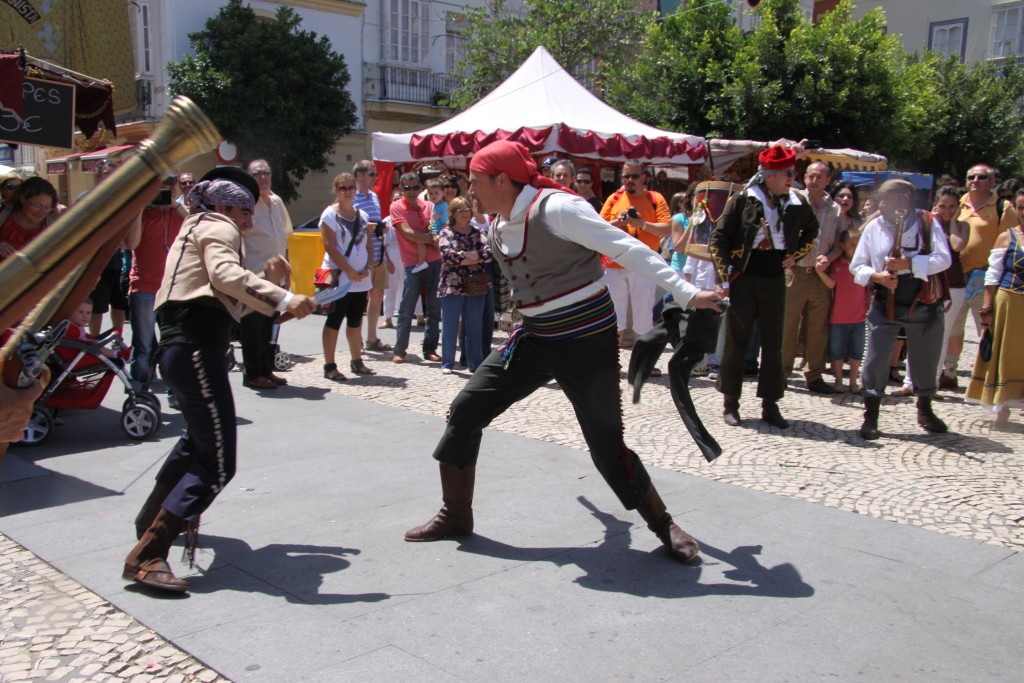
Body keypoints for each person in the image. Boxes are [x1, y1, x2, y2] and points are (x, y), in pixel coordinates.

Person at [404, 140, 723, 565]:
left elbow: (627, 248)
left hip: (586, 339)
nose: (470, 188)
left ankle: (664, 524)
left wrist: (687, 292)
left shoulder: (558, 209)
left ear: (502, 179)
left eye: (475, 180)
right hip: (535, 338)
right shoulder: (498, 221)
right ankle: (456, 515)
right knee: (465, 409)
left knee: (606, 444)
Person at [124, 167, 316, 593]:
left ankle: (149, 521)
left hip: (185, 347)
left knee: (196, 442)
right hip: (194, 348)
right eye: (245, 212)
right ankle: (149, 552)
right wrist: (285, 296)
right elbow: (227, 279)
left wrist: (270, 286)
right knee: (218, 463)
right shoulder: (215, 225)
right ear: (226, 206)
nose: (248, 222)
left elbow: (228, 304)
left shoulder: (196, 227)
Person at [709, 144, 819, 429]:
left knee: (774, 344)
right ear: (769, 175)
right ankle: (730, 402)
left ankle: (770, 404)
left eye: (792, 174)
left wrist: (795, 254)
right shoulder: (744, 199)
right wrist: (724, 278)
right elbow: (718, 238)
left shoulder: (797, 202)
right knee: (737, 341)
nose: (791, 179)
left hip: (774, 278)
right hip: (743, 277)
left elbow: (812, 229)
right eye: (787, 174)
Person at [849, 179, 951, 440]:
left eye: (888, 198)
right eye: (880, 199)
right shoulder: (874, 227)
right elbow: (857, 266)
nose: (881, 204)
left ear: (905, 200)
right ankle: (870, 415)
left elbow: (943, 259)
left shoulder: (927, 222)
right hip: (886, 301)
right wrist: (878, 276)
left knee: (926, 358)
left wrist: (910, 263)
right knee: (876, 358)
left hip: (923, 299)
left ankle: (925, 408)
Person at [942, 164, 1016, 389]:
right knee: (953, 327)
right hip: (955, 277)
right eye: (970, 176)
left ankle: (989, 376)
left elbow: (1010, 241)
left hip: (986, 279)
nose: (974, 180)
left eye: (981, 177)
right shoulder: (957, 202)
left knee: (987, 328)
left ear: (992, 182)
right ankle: (950, 371)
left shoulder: (1003, 207)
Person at [893, 186, 969, 397]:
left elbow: (956, 245)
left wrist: (952, 221)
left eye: (952, 206)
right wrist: (932, 221)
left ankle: (931, 383)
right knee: (914, 331)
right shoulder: (924, 223)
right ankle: (909, 381)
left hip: (953, 285)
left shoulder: (962, 226)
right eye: (942, 206)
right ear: (935, 205)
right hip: (926, 281)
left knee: (941, 335)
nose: (947, 210)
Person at [966, 189, 1024, 427]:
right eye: (1021, 207)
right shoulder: (1007, 237)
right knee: (1006, 354)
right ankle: (1003, 406)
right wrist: (988, 306)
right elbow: (993, 274)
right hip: (1009, 301)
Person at [784, 161, 842, 395]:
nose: (814, 181)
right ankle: (781, 372)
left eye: (819, 177)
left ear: (828, 180)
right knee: (787, 326)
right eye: (810, 176)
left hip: (820, 276)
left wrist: (829, 258)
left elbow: (840, 242)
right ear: (805, 178)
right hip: (794, 273)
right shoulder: (793, 201)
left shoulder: (835, 210)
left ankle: (814, 374)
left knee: (818, 328)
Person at [600, 161, 673, 343]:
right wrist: (619, 222)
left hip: (643, 264)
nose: (629, 180)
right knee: (614, 317)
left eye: (634, 176)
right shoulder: (614, 199)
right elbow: (599, 228)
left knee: (643, 316)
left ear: (643, 177)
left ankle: (643, 363)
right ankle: (613, 364)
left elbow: (667, 229)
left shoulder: (655, 198)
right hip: (615, 264)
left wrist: (643, 224)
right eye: (626, 176)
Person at [239, 159, 293, 391]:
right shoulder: (245, 202)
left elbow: (284, 237)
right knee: (253, 327)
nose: (262, 178)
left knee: (270, 325)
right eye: (257, 174)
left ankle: (266, 369)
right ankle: (252, 373)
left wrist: (288, 273)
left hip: (276, 276)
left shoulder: (276, 201)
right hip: (255, 276)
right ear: (249, 177)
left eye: (266, 173)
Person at [125, 190, 186, 391]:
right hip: (144, 287)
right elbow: (131, 243)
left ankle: (176, 392)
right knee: (143, 346)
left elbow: (198, 225)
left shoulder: (178, 212)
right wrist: (140, 206)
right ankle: (139, 392)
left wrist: (175, 204)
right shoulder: (143, 214)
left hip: (173, 289)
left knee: (174, 346)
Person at [319, 172, 376, 380]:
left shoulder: (362, 215)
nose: (348, 192)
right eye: (343, 188)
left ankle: (357, 361)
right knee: (335, 320)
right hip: (340, 276)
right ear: (336, 190)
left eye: (351, 187)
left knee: (355, 321)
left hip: (361, 278)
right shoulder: (329, 215)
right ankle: (330, 365)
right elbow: (330, 247)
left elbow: (368, 244)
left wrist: (368, 268)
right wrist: (350, 271)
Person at [390, 172, 442, 364]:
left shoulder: (430, 206)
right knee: (406, 308)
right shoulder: (396, 207)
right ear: (401, 189)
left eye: (415, 187)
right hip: (412, 263)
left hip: (435, 260)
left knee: (434, 309)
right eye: (407, 188)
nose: (411, 191)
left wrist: (434, 236)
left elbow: (437, 227)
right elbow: (408, 233)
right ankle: (400, 350)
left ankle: (430, 349)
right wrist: (431, 239)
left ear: (420, 189)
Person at [437, 196, 491, 374]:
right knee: (450, 325)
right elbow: (448, 256)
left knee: (475, 325)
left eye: (467, 209)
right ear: (452, 213)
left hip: (475, 284)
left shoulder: (477, 232)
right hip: (452, 284)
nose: (464, 213)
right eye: (460, 210)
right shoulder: (446, 233)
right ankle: (447, 362)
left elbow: (488, 253)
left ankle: (474, 362)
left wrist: (464, 257)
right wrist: (472, 257)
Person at [817, 230, 868, 393]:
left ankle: (853, 382)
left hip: (859, 317)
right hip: (838, 318)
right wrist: (820, 272)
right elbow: (831, 284)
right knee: (837, 352)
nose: (856, 247)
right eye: (852, 244)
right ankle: (838, 380)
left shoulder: (865, 265)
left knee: (856, 352)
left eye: (858, 244)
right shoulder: (837, 264)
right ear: (842, 246)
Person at [353, 160, 393, 354]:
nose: (375, 177)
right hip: (362, 258)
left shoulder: (375, 197)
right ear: (359, 176)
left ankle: (371, 338)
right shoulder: (351, 197)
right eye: (371, 174)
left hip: (378, 255)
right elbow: (348, 227)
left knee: (377, 296)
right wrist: (365, 228)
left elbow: (375, 223)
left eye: (375, 174)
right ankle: (357, 339)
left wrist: (380, 228)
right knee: (359, 299)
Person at [0, 177, 60, 263]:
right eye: (37, 205)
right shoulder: (3, 217)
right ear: (23, 199)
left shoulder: (52, 225)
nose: (42, 212)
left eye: (47, 207)